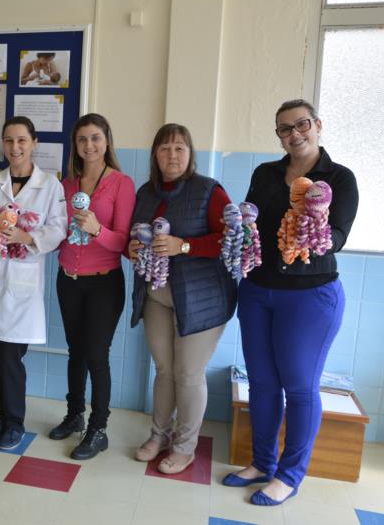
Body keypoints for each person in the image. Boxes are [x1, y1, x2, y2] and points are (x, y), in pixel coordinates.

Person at [223, 100, 358, 505]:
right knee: (262, 384)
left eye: (301, 124)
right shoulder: (265, 174)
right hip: (258, 291)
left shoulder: (339, 178)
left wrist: (312, 231)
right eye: (284, 129)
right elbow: (253, 225)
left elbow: (338, 236)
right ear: (278, 135)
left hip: (310, 296)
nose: (294, 133)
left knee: (299, 388)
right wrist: (238, 226)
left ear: (317, 125)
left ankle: (290, 474)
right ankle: (262, 462)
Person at [128, 123, 236, 474]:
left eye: (179, 148)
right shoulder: (146, 192)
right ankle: (158, 435)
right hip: (156, 295)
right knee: (164, 371)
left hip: (202, 299)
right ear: (154, 155)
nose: (171, 155)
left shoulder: (209, 191)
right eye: (164, 148)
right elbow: (135, 234)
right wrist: (132, 248)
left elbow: (231, 238)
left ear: (190, 154)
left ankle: (185, 446)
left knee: (188, 373)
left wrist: (184, 246)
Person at [0, 116, 67, 450]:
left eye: (21, 140)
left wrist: (25, 236)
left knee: (9, 357)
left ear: (34, 143)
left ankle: (15, 421)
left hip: (21, 283)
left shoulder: (50, 185)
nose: (14, 147)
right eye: (8, 141)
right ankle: (1, 416)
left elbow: (58, 229)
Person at [48, 113, 135, 460]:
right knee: (76, 352)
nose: (89, 145)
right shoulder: (67, 185)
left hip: (104, 284)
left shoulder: (121, 183)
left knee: (97, 356)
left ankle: (99, 429)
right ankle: (74, 415)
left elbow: (123, 243)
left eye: (95, 138)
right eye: (82, 139)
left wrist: (98, 229)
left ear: (107, 141)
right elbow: (57, 234)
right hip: (68, 280)